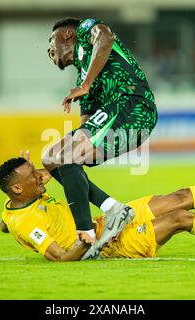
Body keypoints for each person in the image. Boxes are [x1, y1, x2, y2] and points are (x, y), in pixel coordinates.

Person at [0, 130, 195, 261]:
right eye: (32, 176)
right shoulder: (26, 223)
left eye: (37, 171)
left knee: (177, 197)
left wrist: (10, 217)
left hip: (105, 221)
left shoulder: (18, 207)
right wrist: (92, 242)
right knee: (179, 218)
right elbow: (60, 257)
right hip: (110, 243)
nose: (40, 176)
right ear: (18, 188)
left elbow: (5, 222)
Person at [44, 17, 158, 258]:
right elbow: (85, 127)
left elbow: (105, 37)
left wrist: (86, 85)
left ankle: (86, 236)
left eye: (50, 40)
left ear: (66, 35)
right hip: (116, 117)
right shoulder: (82, 76)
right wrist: (62, 168)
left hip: (132, 106)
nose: (49, 50)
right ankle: (114, 209)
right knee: (51, 157)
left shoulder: (86, 30)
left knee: (66, 156)